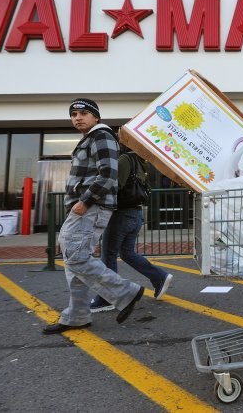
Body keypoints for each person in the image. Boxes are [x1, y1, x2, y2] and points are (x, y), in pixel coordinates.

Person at [43, 98, 144, 334]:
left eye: (83, 113)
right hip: (84, 207)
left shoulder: (101, 136)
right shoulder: (89, 139)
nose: (77, 117)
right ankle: (77, 316)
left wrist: (85, 201)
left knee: (77, 258)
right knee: (73, 263)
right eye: (74, 114)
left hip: (90, 207)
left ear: (95, 117)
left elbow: (108, 174)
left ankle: (126, 292)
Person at [90, 141, 173, 312]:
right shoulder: (141, 162)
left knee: (108, 256)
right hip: (135, 214)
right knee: (126, 252)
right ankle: (159, 277)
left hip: (121, 214)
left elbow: (114, 186)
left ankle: (108, 298)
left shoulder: (124, 159)